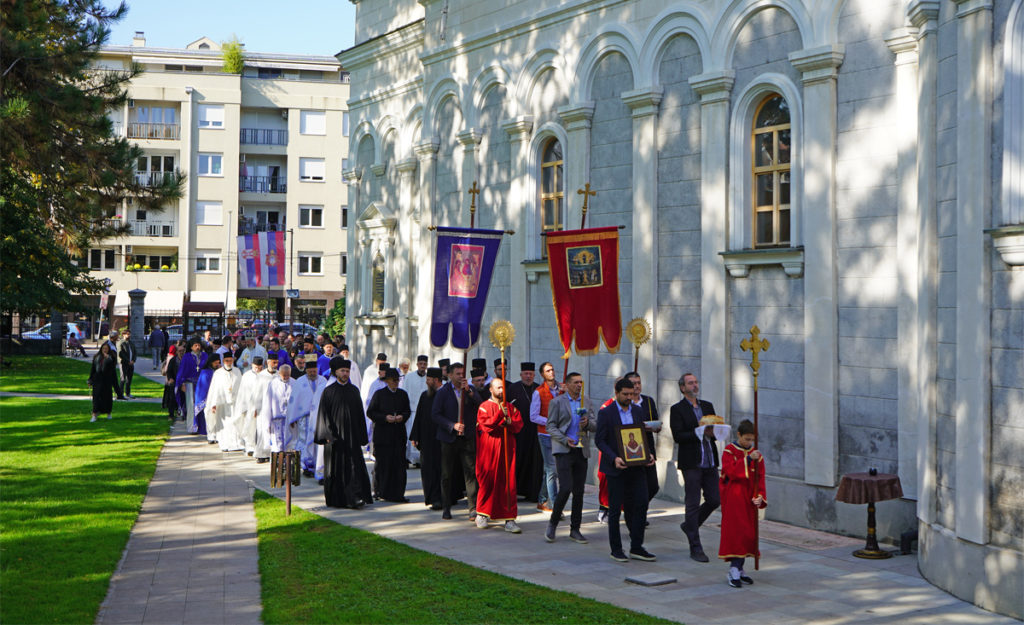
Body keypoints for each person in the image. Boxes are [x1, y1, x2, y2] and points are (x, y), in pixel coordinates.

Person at [595, 378, 657, 563]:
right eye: (625, 394)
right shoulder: (606, 413)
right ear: (617, 393)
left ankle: (637, 546)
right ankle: (616, 549)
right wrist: (614, 457)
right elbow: (600, 440)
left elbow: (642, 436)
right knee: (615, 509)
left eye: (632, 394)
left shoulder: (637, 411)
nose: (629, 397)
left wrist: (649, 454)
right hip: (616, 467)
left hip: (637, 468)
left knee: (641, 503)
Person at [669, 372, 720, 563]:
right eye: (690, 383)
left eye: (696, 382)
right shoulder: (677, 409)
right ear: (682, 388)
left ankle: (690, 526)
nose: (695, 385)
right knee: (692, 502)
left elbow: (715, 431)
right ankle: (695, 547)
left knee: (715, 499)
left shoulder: (707, 406)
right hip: (691, 462)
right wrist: (699, 431)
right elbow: (678, 436)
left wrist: (715, 432)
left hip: (709, 459)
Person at [314, 357, 373, 509]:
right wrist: (327, 434)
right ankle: (338, 499)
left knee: (354, 467)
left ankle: (356, 497)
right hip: (335, 439)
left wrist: (362, 436)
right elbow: (323, 415)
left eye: (347, 371)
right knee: (336, 469)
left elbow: (360, 415)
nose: (345, 373)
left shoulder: (354, 391)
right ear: (336, 372)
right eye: (342, 371)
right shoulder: (328, 391)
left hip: (352, 437)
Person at [545, 371, 596, 544]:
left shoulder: (586, 401)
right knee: (565, 487)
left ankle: (575, 529)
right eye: (575, 382)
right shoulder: (557, 402)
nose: (579, 385)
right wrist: (564, 439)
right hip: (564, 449)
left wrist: (587, 424)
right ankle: (553, 522)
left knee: (579, 491)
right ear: (567, 385)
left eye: (581, 382)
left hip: (581, 450)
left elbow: (595, 425)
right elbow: (550, 426)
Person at [719, 419, 767, 588]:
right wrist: (747, 460)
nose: (749, 443)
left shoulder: (757, 455)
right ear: (739, 435)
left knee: (748, 534)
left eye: (752, 440)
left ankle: (739, 568)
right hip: (734, 497)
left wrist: (760, 496)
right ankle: (734, 568)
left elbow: (760, 478)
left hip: (749, 499)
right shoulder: (729, 451)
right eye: (746, 439)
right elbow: (730, 471)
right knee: (736, 533)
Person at [431, 362, 482, 520]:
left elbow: (481, 405)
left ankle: (473, 508)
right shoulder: (443, 392)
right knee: (447, 474)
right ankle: (446, 507)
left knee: (470, 472)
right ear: (450, 375)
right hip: (449, 438)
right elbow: (435, 414)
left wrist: (470, 392)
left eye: (462, 374)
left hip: (467, 438)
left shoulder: (470, 390)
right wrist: (451, 425)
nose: (461, 376)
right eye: (458, 374)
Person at [474, 378, 523, 533]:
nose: (501, 390)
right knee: (488, 481)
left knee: (508, 483)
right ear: (491, 389)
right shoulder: (484, 406)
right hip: (489, 448)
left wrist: (509, 421)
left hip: (507, 449)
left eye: (503, 388)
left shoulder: (510, 407)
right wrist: (500, 416)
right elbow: (487, 426)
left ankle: (509, 518)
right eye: (498, 388)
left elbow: (518, 425)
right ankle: (482, 514)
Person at [366, 367, 411, 502]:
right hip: (383, 435)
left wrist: (402, 417)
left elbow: (407, 411)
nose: (395, 383)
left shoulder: (402, 394)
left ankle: (398, 493)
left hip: (398, 435)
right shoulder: (379, 394)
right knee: (383, 464)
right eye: (393, 380)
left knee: (399, 465)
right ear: (387, 381)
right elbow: (371, 412)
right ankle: (380, 490)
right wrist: (385, 418)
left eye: (397, 380)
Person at [507, 362, 542, 503]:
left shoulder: (538, 389)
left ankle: (531, 492)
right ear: (521, 375)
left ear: (534, 375)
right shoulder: (513, 389)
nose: (528, 376)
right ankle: (514, 491)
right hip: (518, 433)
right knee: (517, 461)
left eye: (531, 374)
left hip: (534, 432)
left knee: (533, 463)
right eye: (526, 374)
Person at [529, 361, 562, 512]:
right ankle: (555, 505)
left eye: (552, 369)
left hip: (560, 434)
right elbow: (533, 416)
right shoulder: (538, 392)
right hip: (545, 434)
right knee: (551, 469)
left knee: (551, 470)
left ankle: (542, 500)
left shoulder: (562, 388)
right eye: (548, 371)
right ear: (542, 374)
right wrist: (550, 421)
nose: (551, 372)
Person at [410, 367, 444, 509]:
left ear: (436, 380)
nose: (426, 382)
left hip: (441, 439)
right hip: (426, 440)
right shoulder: (425, 395)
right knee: (428, 470)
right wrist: (415, 435)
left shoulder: (445, 394)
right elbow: (419, 416)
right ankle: (431, 498)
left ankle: (440, 498)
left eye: (428, 380)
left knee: (440, 470)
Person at [625, 372, 662, 502]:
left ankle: (639, 509)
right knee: (635, 485)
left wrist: (656, 426)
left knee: (653, 486)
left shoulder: (648, 401)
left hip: (648, 447)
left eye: (639, 383)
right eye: (633, 383)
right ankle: (635, 510)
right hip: (632, 447)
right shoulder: (626, 403)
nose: (637, 386)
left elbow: (655, 420)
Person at [289, 360, 327, 476]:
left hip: (319, 417)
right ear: (306, 371)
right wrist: (292, 417)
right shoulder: (300, 382)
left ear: (317, 370)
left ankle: (317, 464)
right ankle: (305, 466)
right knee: (304, 441)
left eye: (314, 371)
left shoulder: (323, 381)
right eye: (310, 371)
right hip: (304, 418)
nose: (312, 373)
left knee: (317, 442)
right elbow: (294, 400)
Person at [207, 352, 244, 451]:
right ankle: (225, 444)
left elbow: (241, 387)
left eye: (230, 361)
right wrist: (213, 404)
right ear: (223, 361)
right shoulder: (218, 373)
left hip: (235, 403)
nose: (229, 363)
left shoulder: (237, 371)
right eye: (227, 361)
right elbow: (214, 389)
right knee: (225, 425)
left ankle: (236, 444)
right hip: (222, 404)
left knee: (235, 423)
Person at [236, 356, 271, 457]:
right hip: (248, 405)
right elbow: (242, 392)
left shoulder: (265, 375)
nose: (258, 369)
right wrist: (242, 406)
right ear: (252, 365)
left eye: (260, 367)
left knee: (261, 428)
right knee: (249, 426)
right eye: (256, 367)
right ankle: (250, 447)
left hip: (261, 406)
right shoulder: (246, 376)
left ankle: (261, 448)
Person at [401, 354, 430, 466]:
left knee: (422, 435)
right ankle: (409, 458)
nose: (422, 366)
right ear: (417, 364)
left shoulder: (428, 378)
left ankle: (419, 460)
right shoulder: (409, 377)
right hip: (411, 411)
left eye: (424, 364)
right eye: (421, 364)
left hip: (424, 412)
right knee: (410, 435)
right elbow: (404, 393)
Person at [262, 365, 297, 454]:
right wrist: (267, 420)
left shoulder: (294, 383)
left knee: (290, 443)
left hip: (290, 419)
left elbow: (297, 401)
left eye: (288, 375)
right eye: (284, 375)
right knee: (277, 444)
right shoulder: (273, 384)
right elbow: (268, 402)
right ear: (279, 373)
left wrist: (295, 417)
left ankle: (288, 460)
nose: (286, 377)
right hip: (277, 419)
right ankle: (278, 460)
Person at [253, 353, 281, 463]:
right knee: (262, 430)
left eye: (277, 362)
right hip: (263, 408)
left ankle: (272, 453)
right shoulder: (261, 376)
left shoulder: (279, 375)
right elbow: (257, 393)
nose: (275, 365)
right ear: (268, 362)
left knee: (274, 432)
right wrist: (256, 408)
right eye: (273, 362)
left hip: (276, 409)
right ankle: (261, 454)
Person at [176, 338, 207, 430]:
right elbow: (182, 371)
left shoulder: (204, 356)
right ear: (191, 347)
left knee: (202, 404)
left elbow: (208, 368)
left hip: (202, 384)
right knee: (191, 406)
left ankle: (202, 427)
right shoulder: (187, 357)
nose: (197, 347)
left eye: (199, 345)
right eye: (195, 345)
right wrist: (182, 383)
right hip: (189, 384)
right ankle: (192, 427)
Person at [88, 341, 117, 421]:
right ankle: (94, 414)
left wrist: (108, 359)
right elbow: (93, 369)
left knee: (107, 397)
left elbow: (112, 369)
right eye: (103, 348)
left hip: (106, 381)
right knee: (96, 397)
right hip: (97, 380)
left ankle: (108, 413)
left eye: (106, 349)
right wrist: (90, 379)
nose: (105, 350)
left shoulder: (111, 358)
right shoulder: (96, 357)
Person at [194, 352, 221, 439]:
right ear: (211, 362)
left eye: (218, 363)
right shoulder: (206, 372)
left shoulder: (216, 371)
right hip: (207, 398)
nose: (217, 365)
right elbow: (205, 388)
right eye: (215, 363)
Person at [162, 345, 181, 421]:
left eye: (183, 351)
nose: (181, 352)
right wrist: (170, 378)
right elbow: (168, 370)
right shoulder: (173, 360)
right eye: (179, 351)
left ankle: (182, 413)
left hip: (182, 382)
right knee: (172, 398)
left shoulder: (185, 359)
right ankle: (171, 415)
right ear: (177, 352)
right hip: (174, 381)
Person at [107, 331, 126, 400]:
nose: (118, 337)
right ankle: (117, 395)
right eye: (117, 336)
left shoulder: (113, 343)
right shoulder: (108, 344)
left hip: (112, 366)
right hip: (108, 366)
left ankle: (119, 395)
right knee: (110, 381)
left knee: (115, 382)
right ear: (113, 337)